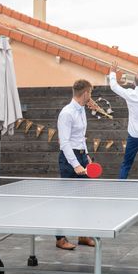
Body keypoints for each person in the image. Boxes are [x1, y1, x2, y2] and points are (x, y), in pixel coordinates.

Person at [55, 79, 98, 250]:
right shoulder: (66, 113)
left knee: (84, 199)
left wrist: (86, 156)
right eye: (90, 93)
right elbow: (64, 143)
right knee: (67, 201)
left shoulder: (81, 111)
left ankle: (82, 235)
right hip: (68, 160)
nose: (90, 97)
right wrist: (75, 165)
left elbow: (81, 137)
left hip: (81, 157)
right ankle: (60, 238)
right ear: (85, 93)